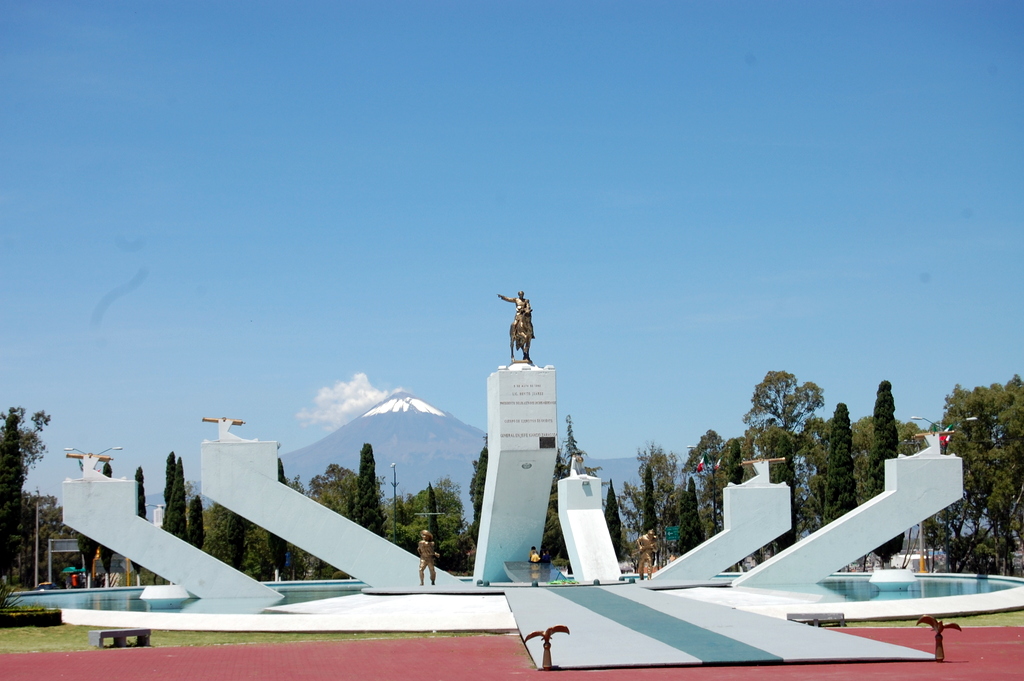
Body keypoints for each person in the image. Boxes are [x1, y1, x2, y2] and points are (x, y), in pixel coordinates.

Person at [498, 291, 535, 362]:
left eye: (522, 294)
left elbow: (528, 306)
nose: (521, 295)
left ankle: (531, 334)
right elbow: (509, 299)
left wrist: (527, 309)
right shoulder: (516, 300)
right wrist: (503, 297)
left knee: (530, 325)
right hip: (518, 317)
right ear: (518, 295)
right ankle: (514, 334)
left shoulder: (526, 301)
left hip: (524, 315)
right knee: (514, 324)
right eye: (520, 294)